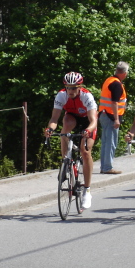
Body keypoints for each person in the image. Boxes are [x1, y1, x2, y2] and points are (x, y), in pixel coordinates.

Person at [44, 72, 98, 209]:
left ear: (79, 87)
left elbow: (94, 121)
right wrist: (50, 129)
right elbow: (54, 119)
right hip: (72, 117)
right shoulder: (61, 95)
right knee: (64, 130)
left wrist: (88, 131)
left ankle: (87, 190)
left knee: (85, 151)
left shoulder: (87, 96)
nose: (70, 91)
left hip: (88, 122)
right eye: (68, 87)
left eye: (74, 88)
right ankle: (65, 162)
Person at [99, 61, 129, 174]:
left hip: (104, 113)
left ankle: (104, 166)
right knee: (111, 142)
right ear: (124, 73)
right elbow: (114, 103)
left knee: (106, 142)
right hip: (111, 116)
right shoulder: (116, 84)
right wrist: (116, 119)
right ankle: (107, 167)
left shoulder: (109, 80)